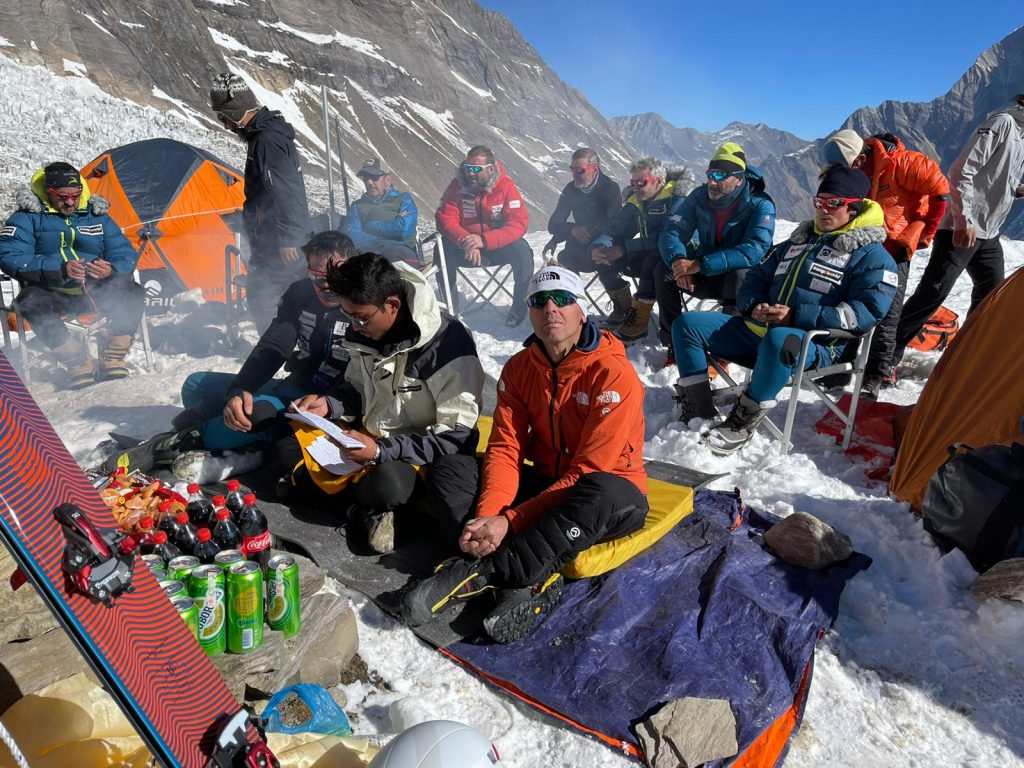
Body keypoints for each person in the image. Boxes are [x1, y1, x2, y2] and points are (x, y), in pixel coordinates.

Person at [401, 266, 648, 644]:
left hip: (606, 495)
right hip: (548, 483)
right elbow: (506, 447)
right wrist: (490, 515)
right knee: (452, 466)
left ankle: (483, 571)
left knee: (601, 490)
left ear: (581, 310)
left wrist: (512, 521)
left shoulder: (613, 374)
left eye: (563, 299)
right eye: (539, 301)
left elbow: (587, 471)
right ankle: (502, 560)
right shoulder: (519, 369)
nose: (551, 309)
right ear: (530, 312)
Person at [671, 167, 898, 455]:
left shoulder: (874, 257)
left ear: (853, 209)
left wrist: (794, 316)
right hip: (761, 332)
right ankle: (699, 408)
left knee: (782, 339)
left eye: (834, 204)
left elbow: (863, 315)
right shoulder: (797, 242)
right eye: (819, 202)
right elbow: (755, 278)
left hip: (815, 346)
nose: (824, 210)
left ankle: (742, 421)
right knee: (687, 323)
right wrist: (754, 305)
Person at [97, 232, 358, 481]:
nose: (326, 285)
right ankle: (244, 439)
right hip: (292, 384)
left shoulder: (362, 301)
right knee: (195, 385)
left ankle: (171, 445)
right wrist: (241, 388)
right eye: (317, 276)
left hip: (322, 402)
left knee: (257, 413)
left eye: (335, 275)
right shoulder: (300, 293)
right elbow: (274, 345)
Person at [282, 253, 485, 555]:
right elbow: (355, 388)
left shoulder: (447, 343)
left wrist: (381, 451)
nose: (354, 325)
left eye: (360, 317)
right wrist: (329, 404)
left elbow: (455, 435)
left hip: (417, 450)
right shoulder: (363, 331)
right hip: (367, 436)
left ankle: (345, 503)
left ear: (392, 305)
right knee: (286, 445)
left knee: (388, 483)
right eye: (348, 315)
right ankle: (362, 512)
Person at [893, 94, 1024, 373]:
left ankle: (965, 361)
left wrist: (1016, 190)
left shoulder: (1021, 133)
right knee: (932, 293)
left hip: (989, 233)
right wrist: (964, 221)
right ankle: (885, 358)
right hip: (962, 229)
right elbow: (960, 172)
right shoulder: (1003, 123)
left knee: (989, 300)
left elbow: (994, 177)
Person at [820, 131, 950, 398]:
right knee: (851, 303)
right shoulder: (858, 171)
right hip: (863, 245)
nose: (846, 170)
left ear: (859, 156)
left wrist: (927, 231)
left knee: (888, 312)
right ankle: (840, 369)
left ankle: (877, 373)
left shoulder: (902, 163)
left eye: (847, 163)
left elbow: (941, 191)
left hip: (895, 248)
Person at [0, 161, 143, 389]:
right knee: (30, 303)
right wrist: (59, 267)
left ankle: (113, 355)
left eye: (75, 196)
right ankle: (75, 358)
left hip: (96, 290)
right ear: (48, 192)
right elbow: (9, 255)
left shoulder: (96, 215)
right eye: (62, 196)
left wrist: (112, 269)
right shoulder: (26, 218)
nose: (70, 202)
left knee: (132, 291)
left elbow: (124, 251)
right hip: (52, 291)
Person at [657, 142, 776, 363]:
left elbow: (754, 250)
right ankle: (674, 343)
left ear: (739, 179)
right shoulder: (700, 196)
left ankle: (725, 353)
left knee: (742, 276)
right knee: (663, 271)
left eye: (721, 176)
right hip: (704, 272)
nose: (712, 182)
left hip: (734, 277)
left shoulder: (761, 204)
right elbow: (672, 231)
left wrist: (700, 264)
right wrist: (680, 263)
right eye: (711, 174)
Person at [210, 73, 310, 332]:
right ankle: (284, 349)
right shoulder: (262, 137)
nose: (224, 125)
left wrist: (290, 237)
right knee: (271, 296)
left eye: (223, 117)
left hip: (278, 241)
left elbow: (286, 190)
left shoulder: (267, 141)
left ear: (235, 112)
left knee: (265, 298)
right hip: (269, 237)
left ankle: (277, 353)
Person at [435, 146, 534, 326]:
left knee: (522, 250)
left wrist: (483, 240)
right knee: (441, 248)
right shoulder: (457, 185)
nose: (470, 173)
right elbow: (444, 218)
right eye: (467, 168)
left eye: (475, 169)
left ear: (490, 169)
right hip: (465, 248)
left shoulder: (505, 186)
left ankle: (519, 308)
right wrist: (467, 241)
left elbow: (518, 223)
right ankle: (451, 309)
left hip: (495, 247)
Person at [589, 157, 681, 342]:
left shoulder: (677, 201)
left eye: (641, 182)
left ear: (658, 182)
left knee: (653, 259)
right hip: (647, 255)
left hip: (676, 259)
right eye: (632, 182)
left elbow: (665, 239)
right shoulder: (637, 202)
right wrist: (601, 246)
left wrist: (623, 249)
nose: (635, 187)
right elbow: (616, 227)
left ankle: (639, 322)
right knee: (603, 258)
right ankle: (623, 309)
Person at [541, 146, 622, 286]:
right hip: (578, 247)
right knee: (564, 258)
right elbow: (554, 223)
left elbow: (610, 224)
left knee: (603, 261)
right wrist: (571, 229)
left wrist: (596, 245)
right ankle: (576, 302)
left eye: (580, 170)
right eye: (572, 170)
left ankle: (622, 306)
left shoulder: (610, 188)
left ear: (595, 168)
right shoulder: (571, 189)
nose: (574, 175)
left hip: (605, 245)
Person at [345, 158, 421, 265]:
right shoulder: (357, 206)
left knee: (392, 260)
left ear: (387, 180)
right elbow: (352, 235)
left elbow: (404, 229)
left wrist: (371, 226)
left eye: (374, 177)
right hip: (370, 254)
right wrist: (390, 229)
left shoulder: (403, 199)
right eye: (366, 178)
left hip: (400, 252)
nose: (369, 182)